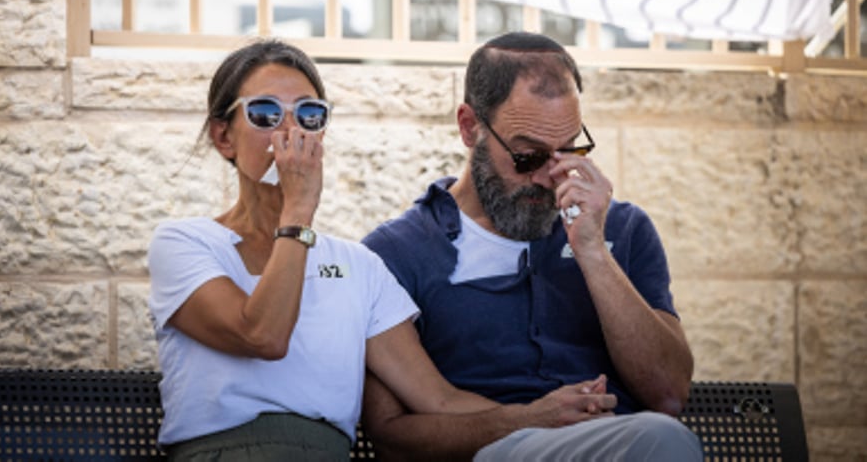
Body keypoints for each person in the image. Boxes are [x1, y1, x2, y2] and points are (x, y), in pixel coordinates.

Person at [147, 39, 514, 461]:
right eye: (265, 113)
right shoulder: (186, 244)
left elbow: (437, 400)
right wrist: (298, 209)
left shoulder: (357, 266)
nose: (290, 130)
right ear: (223, 136)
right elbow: (262, 335)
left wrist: (541, 419)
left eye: (309, 114)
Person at [361, 31, 702, 460]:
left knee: (659, 435)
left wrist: (594, 253)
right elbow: (390, 435)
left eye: (568, 152)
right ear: (470, 127)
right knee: (659, 440)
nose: (549, 177)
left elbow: (669, 395)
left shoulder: (623, 229)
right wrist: (528, 421)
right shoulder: (398, 252)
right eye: (528, 157)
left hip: (619, 446)